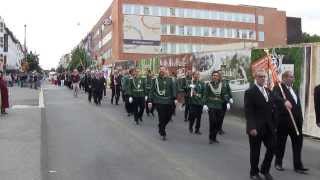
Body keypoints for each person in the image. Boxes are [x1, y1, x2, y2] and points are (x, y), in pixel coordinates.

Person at [273, 71, 309, 173]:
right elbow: (275, 96)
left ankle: (298, 165)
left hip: (296, 122)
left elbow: (298, 105)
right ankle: (278, 163)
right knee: (281, 143)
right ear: (284, 78)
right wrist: (284, 101)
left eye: (293, 77)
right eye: (291, 77)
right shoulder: (279, 88)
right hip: (284, 122)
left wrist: (301, 119)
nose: (292, 79)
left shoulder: (294, 89)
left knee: (298, 143)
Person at [244, 69, 277, 180]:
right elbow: (249, 111)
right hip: (256, 128)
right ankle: (253, 172)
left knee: (272, 147)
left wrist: (285, 102)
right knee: (255, 152)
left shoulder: (267, 90)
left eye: (264, 77)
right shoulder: (250, 92)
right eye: (260, 77)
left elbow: (275, 100)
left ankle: (265, 169)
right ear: (256, 78)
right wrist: (251, 127)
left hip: (268, 127)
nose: (263, 78)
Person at [203, 71, 232, 143]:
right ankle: (211, 138)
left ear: (218, 77)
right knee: (212, 121)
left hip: (219, 105)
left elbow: (224, 94)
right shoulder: (208, 85)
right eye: (213, 75)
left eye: (216, 75)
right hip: (211, 105)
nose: (215, 77)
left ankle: (214, 137)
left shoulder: (221, 85)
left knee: (218, 122)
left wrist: (228, 102)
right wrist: (204, 104)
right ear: (212, 77)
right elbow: (205, 95)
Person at [149, 67, 177, 140]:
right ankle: (162, 131)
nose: (162, 71)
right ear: (159, 71)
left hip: (168, 101)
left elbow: (173, 89)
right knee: (161, 117)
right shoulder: (155, 80)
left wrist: (175, 98)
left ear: (165, 71)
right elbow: (152, 90)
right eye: (160, 70)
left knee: (168, 116)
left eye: (163, 70)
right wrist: (149, 101)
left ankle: (161, 126)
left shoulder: (170, 79)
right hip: (159, 101)